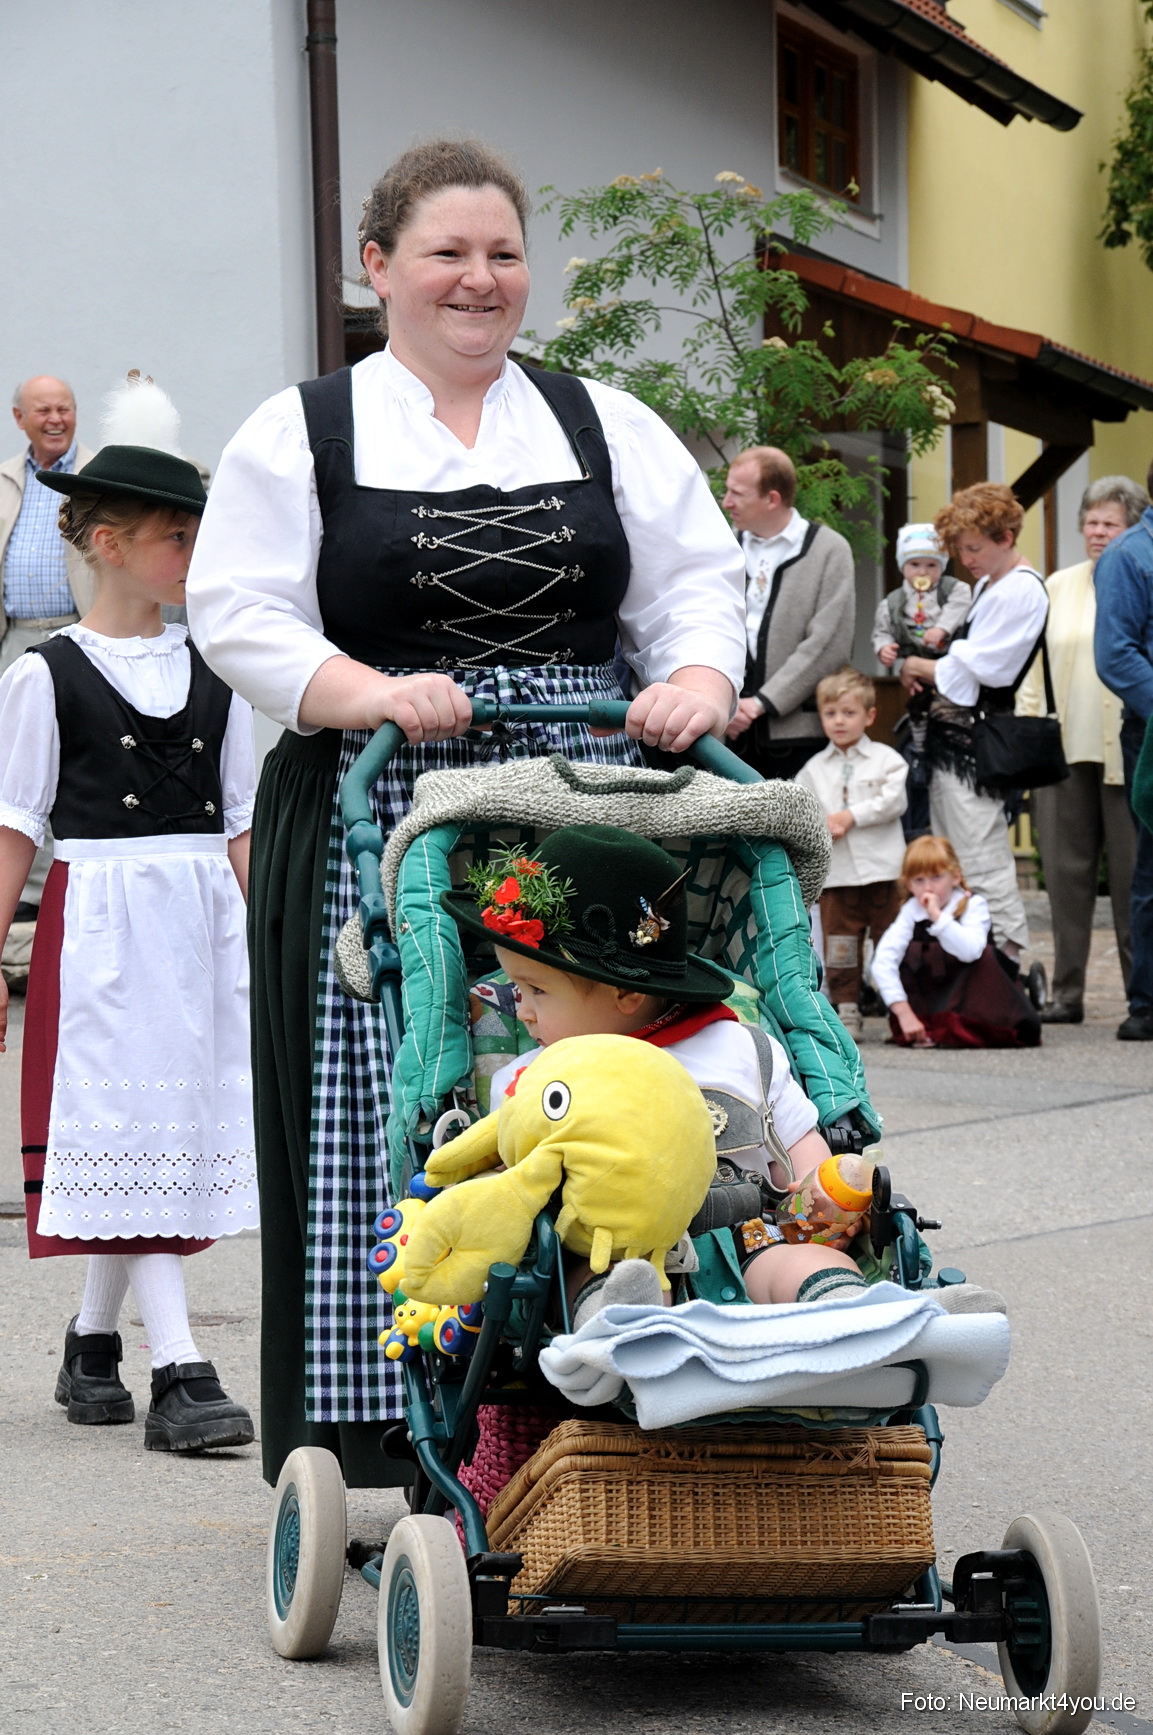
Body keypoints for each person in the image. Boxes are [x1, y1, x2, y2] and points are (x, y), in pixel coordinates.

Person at [184, 138, 747, 1486]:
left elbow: (695, 581)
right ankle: (401, 1416)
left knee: (615, 1061)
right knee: (399, 1086)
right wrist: (366, 686)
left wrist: (694, 676)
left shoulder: (603, 418)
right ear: (376, 267)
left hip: (590, 794)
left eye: (501, 254)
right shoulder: (305, 427)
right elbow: (236, 610)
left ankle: (637, 1368)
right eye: (446, 252)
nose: (478, 279)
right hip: (386, 795)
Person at [0, 379, 258, 1452]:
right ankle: (180, 1369)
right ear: (105, 541)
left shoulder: (220, 668)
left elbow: (244, 822)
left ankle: (91, 1342)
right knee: (132, 1124)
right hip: (102, 917)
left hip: (200, 919)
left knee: (159, 1130)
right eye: (172, 537)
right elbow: (15, 829)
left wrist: (279, 945)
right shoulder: (42, 675)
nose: (191, 556)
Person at [459, 825, 873, 1314]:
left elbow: (795, 1138)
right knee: (612, 1277)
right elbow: (508, 1172)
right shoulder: (536, 1078)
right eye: (518, 991)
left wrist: (818, 1186)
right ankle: (623, 1337)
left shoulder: (738, 1046)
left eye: (537, 991)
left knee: (798, 1264)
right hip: (614, 1243)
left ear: (626, 995)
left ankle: (850, 1315)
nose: (521, 1012)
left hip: (751, 1235)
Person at [900, 483, 1047, 964]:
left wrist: (921, 665)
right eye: (960, 549)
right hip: (953, 743)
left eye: (974, 547)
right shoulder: (990, 586)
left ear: (1006, 537)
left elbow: (984, 670)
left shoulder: (1021, 588)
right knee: (955, 859)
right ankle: (978, 960)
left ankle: (1008, 961)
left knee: (981, 856)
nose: (966, 559)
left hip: (976, 745)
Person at [1018, 476, 1145, 1025]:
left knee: (1132, 876)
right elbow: (1033, 668)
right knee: (1066, 878)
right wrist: (1029, 737)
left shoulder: (1135, 573)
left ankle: (1139, 994)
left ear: (1132, 526)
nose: (1097, 531)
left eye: (1109, 522)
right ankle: (1067, 993)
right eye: (1090, 522)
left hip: (1125, 753)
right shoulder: (1058, 585)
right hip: (1065, 751)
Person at [0, 377, 95, 930]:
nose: (56, 419)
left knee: (71, 756)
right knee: (14, 764)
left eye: (65, 408)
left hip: (76, 636)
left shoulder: (96, 475)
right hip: (15, 638)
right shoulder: (9, 480)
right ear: (20, 418)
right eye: (44, 410)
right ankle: (24, 894)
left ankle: (61, 880)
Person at [722, 446, 855, 780]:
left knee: (793, 832)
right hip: (727, 736)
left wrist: (761, 702)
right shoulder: (723, 547)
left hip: (796, 738)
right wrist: (728, 704)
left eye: (737, 494)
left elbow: (829, 642)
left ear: (772, 499)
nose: (726, 502)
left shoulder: (829, 550)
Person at [795, 667, 909, 1042]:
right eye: (831, 714)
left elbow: (894, 800)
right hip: (838, 875)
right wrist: (821, 823)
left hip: (882, 871)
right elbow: (802, 806)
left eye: (849, 713)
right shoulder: (813, 768)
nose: (839, 721)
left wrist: (851, 816)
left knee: (891, 938)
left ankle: (899, 1006)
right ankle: (847, 1010)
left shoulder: (886, 759)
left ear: (869, 716)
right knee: (840, 944)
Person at [873, 835, 1040, 1049]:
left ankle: (962, 1027)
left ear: (955, 877)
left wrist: (938, 917)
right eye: (919, 881)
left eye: (936, 878)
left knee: (985, 957)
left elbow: (970, 951)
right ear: (909, 885)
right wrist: (903, 1012)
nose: (928, 889)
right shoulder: (911, 911)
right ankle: (922, 1024)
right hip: (928, 998)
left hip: (970, 997)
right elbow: (883, 960)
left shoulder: (972, 905)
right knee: (909, 954)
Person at [1093, 459, 1153, 1041]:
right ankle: (1148, 1004)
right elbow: (1116, 655)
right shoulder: (1130, 556)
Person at [873, 522, 972, 837]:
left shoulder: (952, 590)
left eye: (932, 565)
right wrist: (884, 650)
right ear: (903, 567)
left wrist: (941, 628)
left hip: (948, 665)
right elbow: (882, 632)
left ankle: (937, 754)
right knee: (918, 711)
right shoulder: (892, 602)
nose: (924, 571)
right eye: (915, 564)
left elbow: (960, 606)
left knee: (945, 715)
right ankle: (919, 756)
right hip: (915, 671)